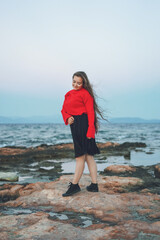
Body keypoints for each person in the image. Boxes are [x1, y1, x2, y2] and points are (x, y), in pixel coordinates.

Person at [61, 71, 105, 197]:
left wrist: (91, 130)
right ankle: (94, 185)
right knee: (88, 156)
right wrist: (67, 117)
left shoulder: (86, 94)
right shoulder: (68, 94)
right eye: (74, 81)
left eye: (79, 83)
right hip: (74, 126)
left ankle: (74, 186)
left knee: (81, 156)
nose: (75, 84)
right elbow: (63, 110)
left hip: (84, 125)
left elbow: (91, 112)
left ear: (83, 83)